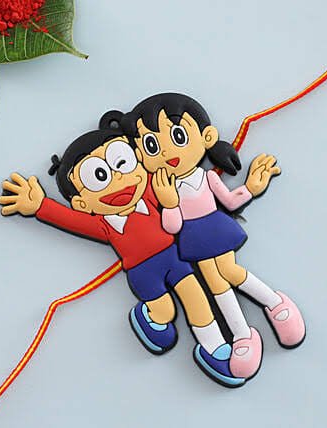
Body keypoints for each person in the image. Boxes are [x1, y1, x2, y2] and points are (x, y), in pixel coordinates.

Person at [0, 128, 245, 387]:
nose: (118, 179)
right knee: (166, 311)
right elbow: (69, 219)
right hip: (143, 273)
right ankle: (151, 318)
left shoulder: (152, 193)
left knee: (197, 299)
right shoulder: (103, 224)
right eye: (100, 177)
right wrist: (40, 206)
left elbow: (173, 169)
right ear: (83, 203)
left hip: (175, 258)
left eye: (122, 163)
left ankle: (215, 349)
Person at [103, 93, 305, 379]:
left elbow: (230, 201)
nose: (166, 152)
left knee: (229, 271)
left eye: (178, 136)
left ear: (206, 136)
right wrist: (169, 202)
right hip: (192, 239)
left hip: (214, 229)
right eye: (152, 146)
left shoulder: (206, 176)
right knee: (215, 283)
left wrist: (251, 187)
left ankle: (275, 304)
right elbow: (172, 226)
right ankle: (243, 336)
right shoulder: (163, 190)